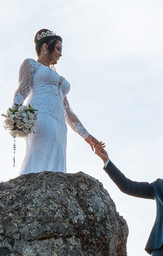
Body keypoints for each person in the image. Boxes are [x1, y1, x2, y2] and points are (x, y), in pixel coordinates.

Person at [12, 29, 100, 173]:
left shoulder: (57, 77)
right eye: (58, 48)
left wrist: (88, 137)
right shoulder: (31, 64)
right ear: (46, 47)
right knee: (44, 155)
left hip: (60, 126)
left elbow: (68, 112)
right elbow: (22, 89)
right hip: (41, 117)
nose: (60, 53)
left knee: (58, 158)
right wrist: (15, 115)